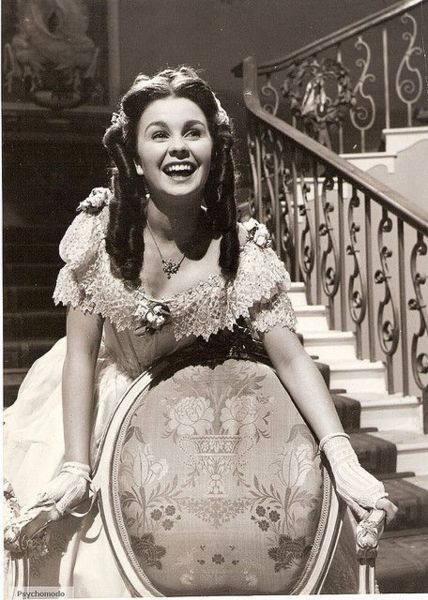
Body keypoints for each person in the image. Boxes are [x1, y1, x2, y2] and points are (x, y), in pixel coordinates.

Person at [3, 66, 397, 596]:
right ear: (135, 157)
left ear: (214, 149)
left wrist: (342, 455)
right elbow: (81, 355)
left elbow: (291, 358)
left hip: (183, 419)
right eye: (159, 134)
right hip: (92, 404)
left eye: (193, 132)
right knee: (80, 566)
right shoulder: (100, 231)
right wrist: (76, 464)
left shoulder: (241, 250)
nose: (178, 148)